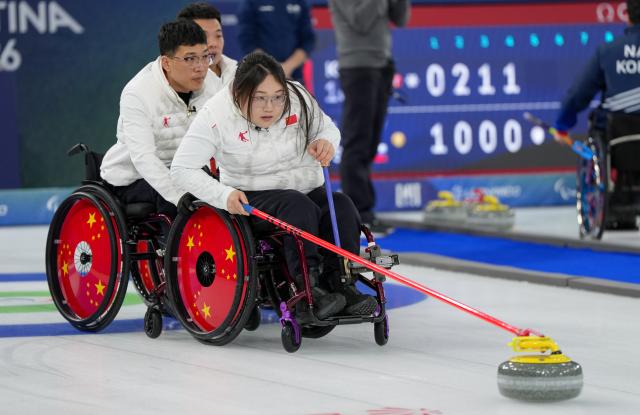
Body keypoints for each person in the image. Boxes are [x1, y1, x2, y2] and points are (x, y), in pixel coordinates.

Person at [171, 51, 378, 320]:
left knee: (342, 206)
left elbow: (328, 128)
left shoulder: (298, 97)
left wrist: (326, 141)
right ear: (239, 92)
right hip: (254, 196)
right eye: (259, 98)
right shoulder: (216, 114)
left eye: (277, 97)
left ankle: (342, 284)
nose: (270, 107)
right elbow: (181, 169)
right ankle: (308, 291)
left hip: (306, 187)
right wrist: (223, 195)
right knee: (297, 207)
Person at [100, 20, 219, 219]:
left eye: (205, 56)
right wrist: (178, 194)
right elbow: (144, 158)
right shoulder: (138, 93)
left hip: (186, 171)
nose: (200, 67)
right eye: (190, 59)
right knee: (185, 197)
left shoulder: (213, 85)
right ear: (166, 62)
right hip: (134, 179)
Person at [555, 0, 640, 228]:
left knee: (602, 120)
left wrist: (563, 125)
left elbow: (577, 96)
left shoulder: (608, 51)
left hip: (618, 144)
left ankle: (618, 205)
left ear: (628, 17)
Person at [329, 0, 411, 234]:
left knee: (371, 140)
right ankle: (358, 212)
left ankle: (366, 210)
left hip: (382, 64)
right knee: (358, 140)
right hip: (357, 67)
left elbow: (401, 18)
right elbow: (361, 20)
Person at [237, 0, 315, 85]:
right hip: (260, 75)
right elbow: (247, 40)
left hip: (293, 75)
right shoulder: (250, 2)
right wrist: (273, 70)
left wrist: (288, 67)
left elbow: (308, 40)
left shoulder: (300, 2)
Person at [177, 2, 237, 88]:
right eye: (203, 36)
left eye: (218, 35)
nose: (213, 44)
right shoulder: (175, 80)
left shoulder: (236, 73)